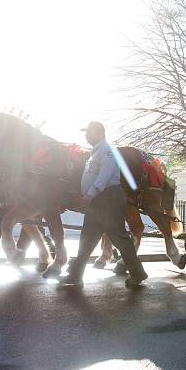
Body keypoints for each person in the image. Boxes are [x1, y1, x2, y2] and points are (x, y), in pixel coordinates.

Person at [59, 121, 148, 288]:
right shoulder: (95, 153)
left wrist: (88, 196)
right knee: (87, 238)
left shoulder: (107, 152)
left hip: (108, 199)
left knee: (119, 238)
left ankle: (137, 273)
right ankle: (75, 275)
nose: (85, 135)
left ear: (99, 133)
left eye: (88, 132)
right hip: (100, 200)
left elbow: (103, 177)